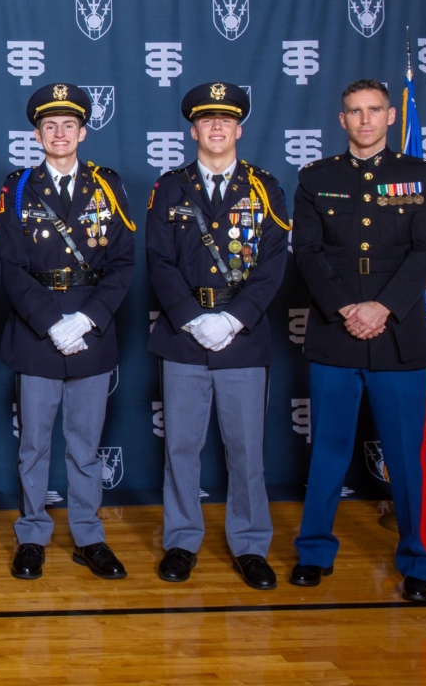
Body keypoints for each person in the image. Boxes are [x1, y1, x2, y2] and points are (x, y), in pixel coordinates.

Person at [290, 79, 426, 603]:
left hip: (399, 336)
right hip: (335, 335)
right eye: (354, 111)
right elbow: (308, 253)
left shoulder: (421, 175)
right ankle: (313, 553)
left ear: (391, 115)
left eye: (374, 110)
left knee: (408, 457)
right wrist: (344, 309)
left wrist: (382, 307)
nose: (364, 120)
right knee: (328, 452)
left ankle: (420, 564)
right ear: (342, 120)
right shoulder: (317, 177)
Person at [145, 82, 290, 590]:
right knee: (181, 447)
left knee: (246, 450)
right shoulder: (169, 187)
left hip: (242, 335)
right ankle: (182, 541)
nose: (217, 128)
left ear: (238, 129)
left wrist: (233, 318)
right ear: (194, 130)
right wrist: (191, 316)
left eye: (225, 120)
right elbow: (159, 262)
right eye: (208, 120)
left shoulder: (265, 187)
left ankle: (250, 545)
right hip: (184, 335)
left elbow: (274, 265)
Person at [0, 83, 136, 581]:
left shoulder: (109, 186)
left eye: (69, 125)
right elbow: (9, 265)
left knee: (85, 444)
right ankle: (32, 533)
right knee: (33, 443)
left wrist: (88, 318)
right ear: (37, 134)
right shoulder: (16, 189)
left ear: (82, 131)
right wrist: (51, 322)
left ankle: (88, 535)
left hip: (91, 328)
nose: (60, 133)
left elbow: (122, 263)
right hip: (38, 330)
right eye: (50, 125)